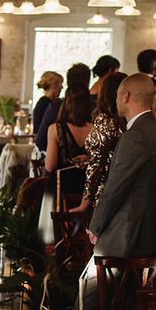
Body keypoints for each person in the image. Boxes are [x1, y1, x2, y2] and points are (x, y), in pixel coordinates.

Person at [78, 73, 156, 310]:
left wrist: (96, 226)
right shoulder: (153, 129)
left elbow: (116, 186)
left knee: (88, 291)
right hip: (143, 228)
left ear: (126, 96)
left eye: (119, 94)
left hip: (126, 231)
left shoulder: (137, 135)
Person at [37, 83, 93, 241]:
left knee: (50, 234)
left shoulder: (55, 129)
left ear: (67, 103)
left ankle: (52, 249)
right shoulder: (95, 129)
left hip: (61, 188)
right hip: (86, 188)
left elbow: (50, 165)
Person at [71, 72, 127, 213]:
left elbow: (97, 165)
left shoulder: (104, 121)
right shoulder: (127, 121)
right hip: (124, 190)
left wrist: (85, 202)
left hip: (105, 192)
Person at [35, 63, 91, 152]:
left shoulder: (55, 106)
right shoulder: (95, 107)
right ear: (87, 82)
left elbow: (40, 141)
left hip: (59, 162)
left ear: (68, 82)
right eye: (59, 84)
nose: (61, 87)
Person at [33, 70, 62, 135]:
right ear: (53, 85)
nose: (61, 88)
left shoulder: (44, 102)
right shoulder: (46, 104)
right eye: (60, 84)